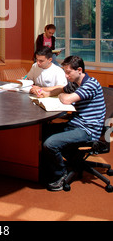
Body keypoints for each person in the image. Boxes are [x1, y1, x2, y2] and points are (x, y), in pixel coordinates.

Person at [40, 55, 106, 191]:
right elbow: (62, 89)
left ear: (79, 70)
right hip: (76, 124)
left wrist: (61, 96)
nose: (66, 75)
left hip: (88, 130)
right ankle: (58, 163)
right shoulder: (76, 83)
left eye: (68, 72)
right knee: (42, 131)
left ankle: (60, 175)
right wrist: (47, 94)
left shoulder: (90, 84)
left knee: (50, 143)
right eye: (64, 71)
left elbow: (66, 99)